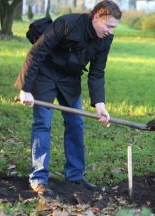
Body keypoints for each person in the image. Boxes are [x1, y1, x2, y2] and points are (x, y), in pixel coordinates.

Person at [15, 0, 122, 196]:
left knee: (76, 123)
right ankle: (38, 178)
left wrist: (100, 105)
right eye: (108, 26)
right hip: (45, 74)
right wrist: (25, 88)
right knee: (43, 124)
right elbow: (37, 52)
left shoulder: (105, 39)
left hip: (70, 79)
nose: (110, 31)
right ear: (97, 16)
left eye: (114, 27)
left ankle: (75, 176)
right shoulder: (67, 23)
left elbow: (97, 73)